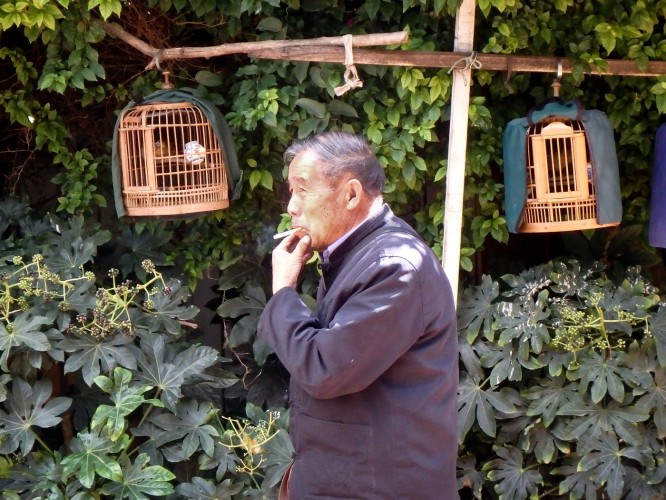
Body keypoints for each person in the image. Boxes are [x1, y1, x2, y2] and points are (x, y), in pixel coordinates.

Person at [258, 131, 459, 499]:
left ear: (351, 194)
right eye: (291, 191)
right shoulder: (354, 255)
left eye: (302, 190)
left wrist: (284, 290)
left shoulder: (395, 266)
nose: (291, 207)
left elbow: (325, 369)